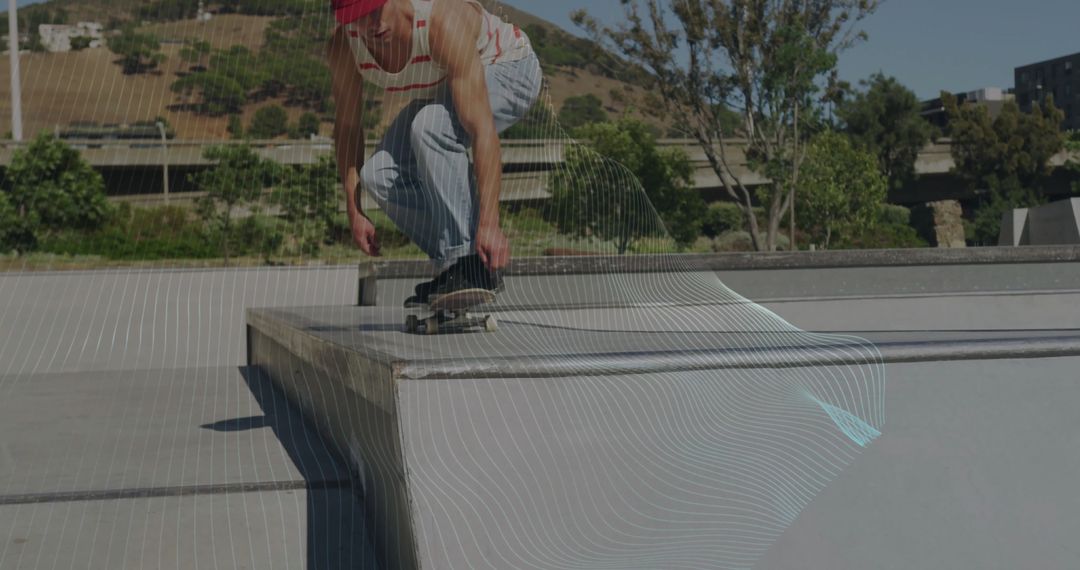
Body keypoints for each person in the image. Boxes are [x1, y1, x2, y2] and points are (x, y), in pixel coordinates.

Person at [327, 0, 541, 305]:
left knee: (430, 127)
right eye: (357, 18)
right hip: (449, 84)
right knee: (378, 174)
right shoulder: (344, 48)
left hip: (509, 67)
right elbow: (348, 128)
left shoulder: (441, 20)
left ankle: (467, 262)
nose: (372, 25)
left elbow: (482, 129)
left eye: (375, 11)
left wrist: (489, 225)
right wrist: (354, 209)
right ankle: (460, 266)